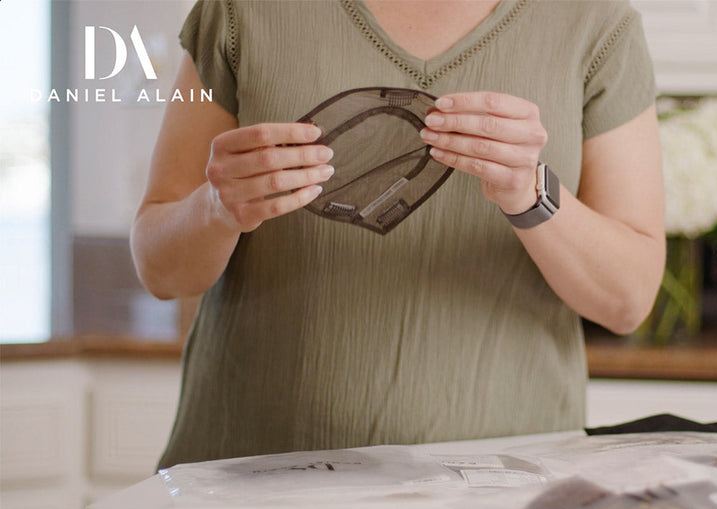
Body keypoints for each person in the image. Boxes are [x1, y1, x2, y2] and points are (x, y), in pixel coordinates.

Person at [131, 0, 664, 469]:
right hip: (249, 483)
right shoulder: (239, 12)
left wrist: (531, 193)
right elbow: (159, 270)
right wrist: (217, 206)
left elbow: (627, 300)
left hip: (500, 496)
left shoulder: (596, 26)